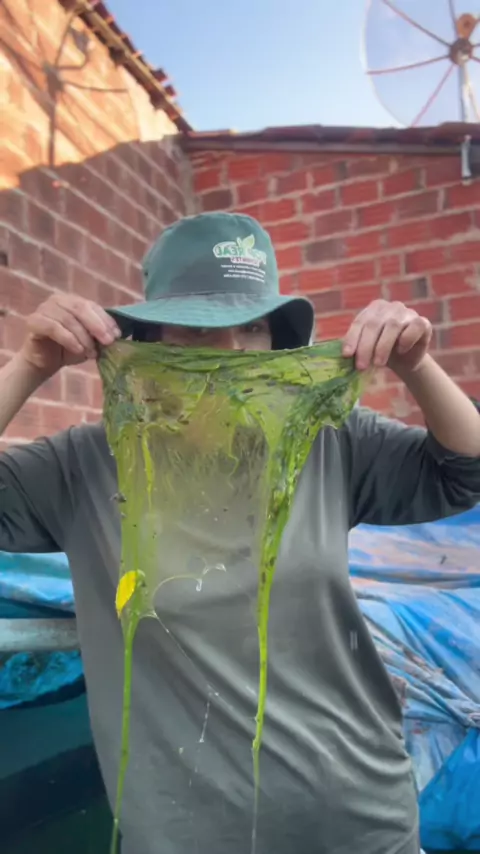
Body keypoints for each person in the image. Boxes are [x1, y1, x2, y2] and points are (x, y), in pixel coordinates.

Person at [1, 212, 479, 854]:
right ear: (149, 340)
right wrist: (31, 364)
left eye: (252, 328)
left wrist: (417, 365)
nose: (230, 353)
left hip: (361, 821)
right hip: (184, 838)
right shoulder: (83, 467)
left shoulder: (326, 442)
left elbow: (466, 473)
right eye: (198, 330)